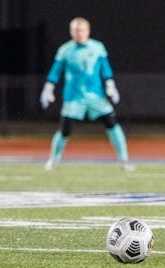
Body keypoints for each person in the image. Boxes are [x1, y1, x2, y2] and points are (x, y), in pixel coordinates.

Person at [40, 17, 133, 171]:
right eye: (75, 31)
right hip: (73, 97)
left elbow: (105, 68)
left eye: (81, 30)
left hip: (96, 96)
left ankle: (124, 160)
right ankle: (53, 160)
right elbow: (56, 70)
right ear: (71, 32)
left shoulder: (98, 47)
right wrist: (48, 87)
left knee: (112, 123)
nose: (79, 34)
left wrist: (110, 84)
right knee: (65, 129)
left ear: (88, 31)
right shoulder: (65, 50)